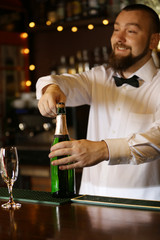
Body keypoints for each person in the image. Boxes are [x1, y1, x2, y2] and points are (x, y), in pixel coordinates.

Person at [36, 4, 160, 200]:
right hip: (89, 207)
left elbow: (157, 139)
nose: (119, 38)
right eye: (116, 29)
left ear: (153, 40)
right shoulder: (99, 77)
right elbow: (62, 82)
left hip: (143, 212)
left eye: (131, 31)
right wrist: (50, 89)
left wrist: (103, 149)